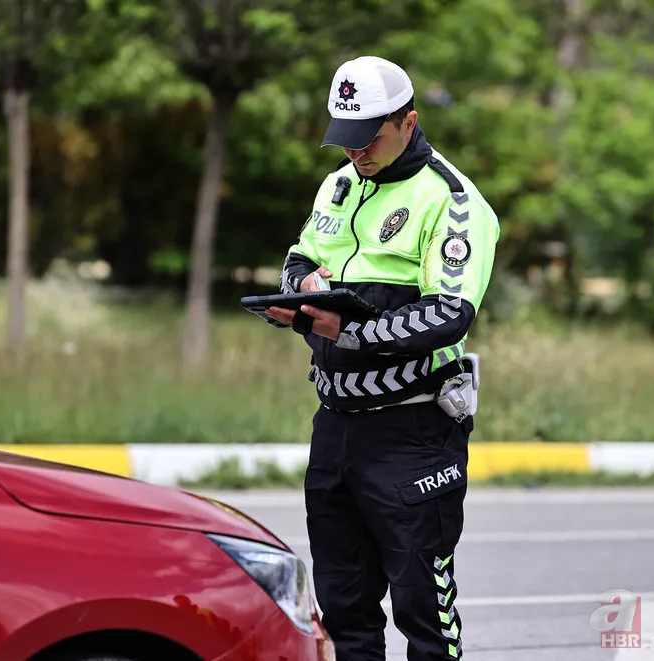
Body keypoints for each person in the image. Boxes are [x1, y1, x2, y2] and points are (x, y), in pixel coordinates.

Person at [264, 56, 500, 661]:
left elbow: (448, 315)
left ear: (408, 122)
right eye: (345, 138)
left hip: (412, 432)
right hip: (335, 425)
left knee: (425, 616)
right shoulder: (339, 183)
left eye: (368, 138)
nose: (356, 152)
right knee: (344, 609)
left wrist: (349, 331)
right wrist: (299, 293)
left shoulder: (452, 201)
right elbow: (299, 255)